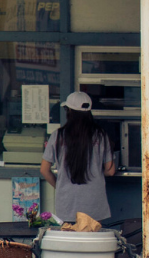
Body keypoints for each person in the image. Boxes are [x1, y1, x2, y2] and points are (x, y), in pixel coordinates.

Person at [41, 91, 117, 222]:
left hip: (66, 204)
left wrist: (59, 186)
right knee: (92, 241)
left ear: (69, 111)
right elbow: (110, 171)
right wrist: (95, 171)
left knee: (70, 240)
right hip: (94, 204)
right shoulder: (101, 135)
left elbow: (44, 170)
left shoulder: (58, 135)